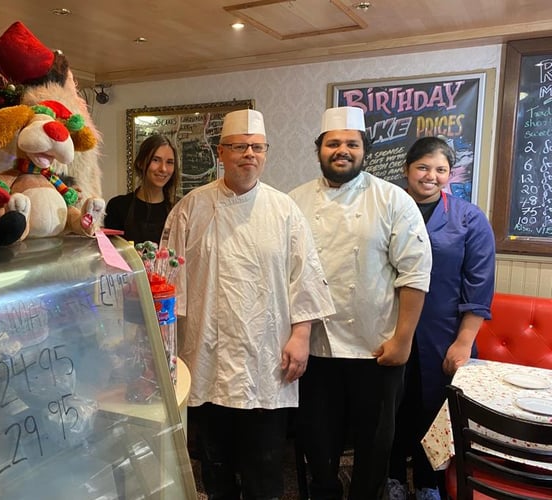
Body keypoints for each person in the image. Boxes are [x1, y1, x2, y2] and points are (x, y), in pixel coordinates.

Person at [161, 109, 334, 500]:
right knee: (214, 464)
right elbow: (167, 283)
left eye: (257, 147)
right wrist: (169, 350)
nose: (249, 155)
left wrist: (302, 335)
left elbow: (304, 276)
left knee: (265, 469)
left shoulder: (285, 210)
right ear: (221, 152)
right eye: (239, 147)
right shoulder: (190, 208)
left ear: (266, 153)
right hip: (205, 355)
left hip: (267, 357)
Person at [289, 106, 432, 500]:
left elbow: (415, 275)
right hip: (315, 349)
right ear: (319, 149)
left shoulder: (392, 201)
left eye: (351, 143)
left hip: (376, 349)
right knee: (318, 445)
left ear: (364, 149)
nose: (342, 150)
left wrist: (403, 341)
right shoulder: (293, 201)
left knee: (374, 449)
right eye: (333, 143)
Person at [387, 137, 496, 500]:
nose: (431, 176)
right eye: (423, 167)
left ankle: (429, 482)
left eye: (440, 170)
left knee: (433, 411)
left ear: (450, 174)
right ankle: (391, 478)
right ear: (407, 169)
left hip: (444, 336)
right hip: (389, 330)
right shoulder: (389, 209)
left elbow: (478, 286)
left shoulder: (469, 218)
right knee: (391, 409)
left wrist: (464, 342)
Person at [105, 134, 179, 243]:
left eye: (169, 162)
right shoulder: (118, 206)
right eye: (155, 160)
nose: (163, 169)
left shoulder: (179, 209)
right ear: (140, 163)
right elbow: (111, 253)